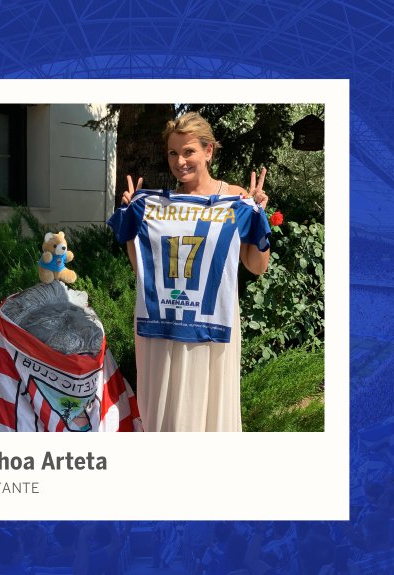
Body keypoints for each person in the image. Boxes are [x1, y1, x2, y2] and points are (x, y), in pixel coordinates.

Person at [108, 111, 271, 432]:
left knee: (209, 415)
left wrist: (258, 214)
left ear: (208, 151)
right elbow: (140, 267)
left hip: (213, 328)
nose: (179, 161)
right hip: (163, 326)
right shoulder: (158, 206)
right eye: (172, 152)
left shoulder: (235, 198)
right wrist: (133, 223)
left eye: (188, 151)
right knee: (163, 416)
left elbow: (256, 266)